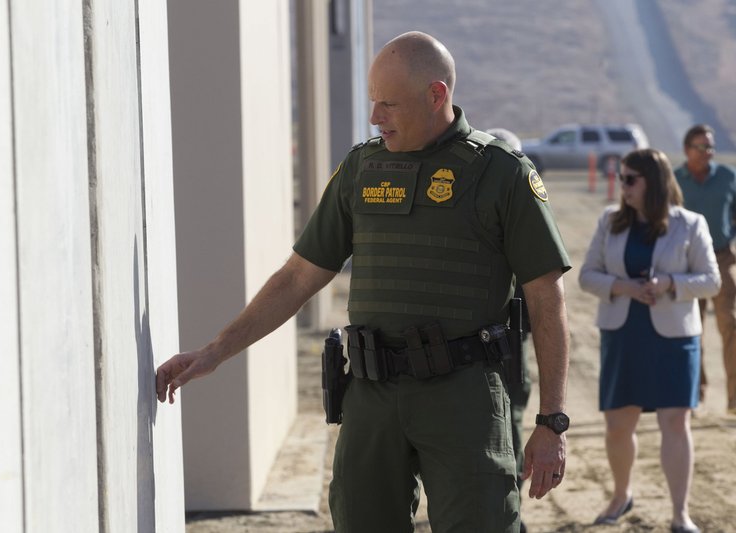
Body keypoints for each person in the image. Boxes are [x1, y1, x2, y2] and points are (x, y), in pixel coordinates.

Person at [157, 31, 572, 533]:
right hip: (372, 397)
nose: (375, 116)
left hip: (464, 398)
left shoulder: (502, 175)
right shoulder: (362, 167)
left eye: (388, 104)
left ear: (437, 95)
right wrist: (215, 352)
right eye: (373, 101)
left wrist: (551, 422)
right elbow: (296, 278)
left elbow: (547, 302)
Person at [579, 148, 720, 533]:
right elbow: (586, 275)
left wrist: (671, 283)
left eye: (629, 179)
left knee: (676, 423)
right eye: (620, 178)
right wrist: (621, 286)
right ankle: (621, 495)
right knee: (617, 426)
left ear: (653, 182)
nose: (621, 186)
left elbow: (711, 280)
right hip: (623, 334)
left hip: (675, 338)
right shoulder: (609, 221)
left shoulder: (690, 224)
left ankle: (680, 515)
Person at [488, 127, 532, 533]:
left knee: (512, 424)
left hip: (512, 345)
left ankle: (511, 509)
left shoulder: (528, 208)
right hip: (476, 346)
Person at [674, 124, 736, 414]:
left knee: (730, 324)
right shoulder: (675, 180)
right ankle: (694, 392)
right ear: (687, 149)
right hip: (687, 264)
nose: (707, 152)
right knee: (691, 328)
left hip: (721, 259)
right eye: (701, 147)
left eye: (710, 147)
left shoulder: (727, 177)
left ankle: (734, 398)